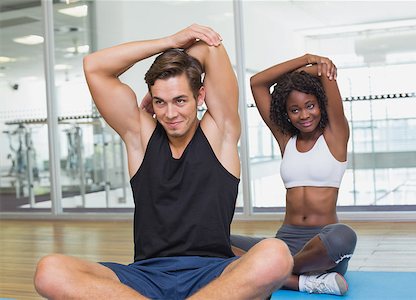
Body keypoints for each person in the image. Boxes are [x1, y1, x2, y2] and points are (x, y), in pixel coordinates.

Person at [33, 24, 293, 299]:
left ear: (200, 96)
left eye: (180, 100)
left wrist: (179, 50)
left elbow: (209, 47)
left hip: (213, 277)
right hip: (145, 278)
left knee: (275, 255)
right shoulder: (140, 136)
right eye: (160, 102)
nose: (170, 113)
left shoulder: (220, 132)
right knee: (50, 271)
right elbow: (95, 66)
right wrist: (168, 41)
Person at [231, 54, 357, 296]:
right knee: (213, 240)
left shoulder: (335, 135)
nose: (304, 115)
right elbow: (258, 83)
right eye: (295, 110)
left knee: (344, 236)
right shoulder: (286, 139)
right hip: (285, 242)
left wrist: (309, 70)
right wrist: (307, 58)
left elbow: (322, 72)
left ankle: (271, 272)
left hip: (322, 247)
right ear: (286, 113)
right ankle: (298, 281)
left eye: (310, 105)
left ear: (320, 103)